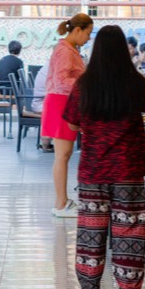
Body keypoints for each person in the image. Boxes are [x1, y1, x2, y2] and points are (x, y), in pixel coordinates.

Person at [62, 24, 145, 289]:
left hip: (94, 170)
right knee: (129, 232)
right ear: (124, 50)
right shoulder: (137, 83)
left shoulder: (84, 85)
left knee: (90, 234)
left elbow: (71, 124)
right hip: (128, 170)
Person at [42, 13, 93, 218]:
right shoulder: (65, 51)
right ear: (78, 30)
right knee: (62, 155)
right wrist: (86, 85)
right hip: (60, 103)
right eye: (88, 33)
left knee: (64, 155)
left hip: (63, 103)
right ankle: (61, 203)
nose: (89, 38)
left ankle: (62, 201)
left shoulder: (69, 50)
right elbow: (61, 80)